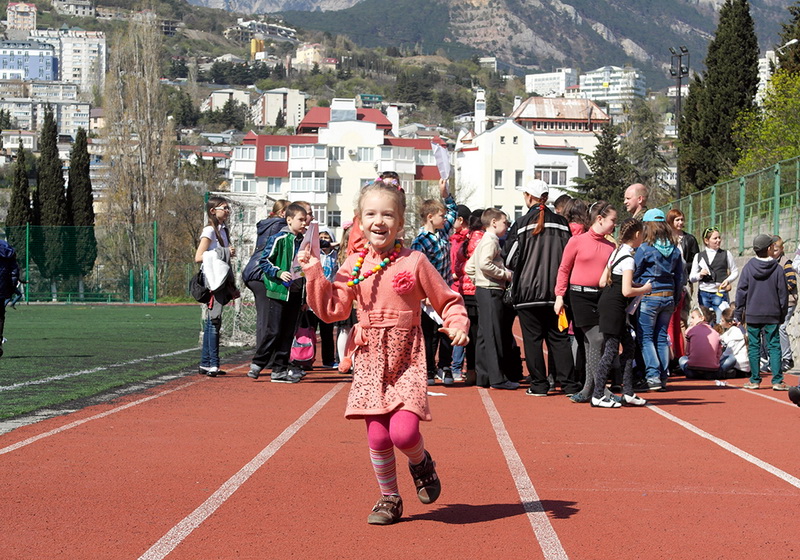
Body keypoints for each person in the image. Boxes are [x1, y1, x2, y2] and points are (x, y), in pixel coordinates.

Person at [297, 179, 469, 526]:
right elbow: (332, 310)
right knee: (377, 434)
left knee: (403, 433)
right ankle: (389, 498)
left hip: (406, 357)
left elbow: (447, 299)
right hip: (370, 358)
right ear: (360, 221)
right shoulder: (354, 265)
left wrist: (458, 323)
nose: (379, 221)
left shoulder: (415, 261)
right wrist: (314, 272)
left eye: (388, 214)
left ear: (400, 223)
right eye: (371, 214)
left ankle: (421, 462)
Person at [503, 178, 582, 397]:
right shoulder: (561, 223)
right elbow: (570, 256)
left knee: (533, 340)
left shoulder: (520, 224)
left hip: (527, 292)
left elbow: (509, 259)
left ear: (529, 196)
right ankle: (569, 385)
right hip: (557, 291)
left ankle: (539, 384)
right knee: (559, 339)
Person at [555, 200, 618, 404]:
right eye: (612, 220)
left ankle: (589, 389)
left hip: (602, 296)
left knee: (592, 342)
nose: (615, 224)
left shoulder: (611, 246)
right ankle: (600, 389)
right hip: (579, 296)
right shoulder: (577, 241)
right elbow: (564, 268)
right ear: (599, 219)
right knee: (596, 339)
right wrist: (559, 296)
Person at [592, 218, 651, 408]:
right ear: (636, 235)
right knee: (610, 351)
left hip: (609, 304)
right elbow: (626, 292)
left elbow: (603, 282)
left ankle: (628, 392)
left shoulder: (616, 253)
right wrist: (645, 288)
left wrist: (632, 284)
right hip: (614, 308)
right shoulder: (629, 259)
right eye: (642, 234)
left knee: (629, 346)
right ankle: (598, 394)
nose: (643, 237)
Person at [246, 203, 309, 383]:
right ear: (289, 220)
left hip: (296, 293)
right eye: (301, 219)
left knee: (288, 332)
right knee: (274, 330)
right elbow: (264, 261)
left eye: (306, 220)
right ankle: (258, 363)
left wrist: (305, 295)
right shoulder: (278, 239)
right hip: (279, 291)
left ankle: (279, 370)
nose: (304, 223)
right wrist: (279, 272)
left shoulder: (304, 243)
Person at [411, 178, 458, 386]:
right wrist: (423, 294)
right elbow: (417, 270)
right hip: (429, 296)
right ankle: (428, 369)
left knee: (448, 330)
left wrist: (445, 193)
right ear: (430, 217)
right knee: (429, 334)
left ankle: (445, 366)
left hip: (445, 292)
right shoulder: (420, 241)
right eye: (440, 215)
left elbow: (453, 212)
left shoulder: (442, 233)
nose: (444, 218)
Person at [465, 208, 517, 389]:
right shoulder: (491, 241)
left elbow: (470, 267)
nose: (507, 226)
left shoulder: (483, 240)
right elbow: (483, 264)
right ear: (494, 222)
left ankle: (484, 377)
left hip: (483, 289)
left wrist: (478, 280)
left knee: (483, 336)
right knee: (494, 334)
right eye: (505, 223)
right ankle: (497, 378)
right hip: (491, 290)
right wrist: (504, 275)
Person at [634, 209, 684, 391]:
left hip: (649, 296)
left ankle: (652, 376)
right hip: (668, 296)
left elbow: (636, 272)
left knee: (646, 337)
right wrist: (676, 298)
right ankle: (663, 376)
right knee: (662, 337)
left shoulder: (645, 249)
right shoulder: (675, 250)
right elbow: (680, 277)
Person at [735, 234, 789, 391]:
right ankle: (777, 381)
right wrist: (782, 314)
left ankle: (755, 380)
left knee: (753, 346)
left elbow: (741, 292)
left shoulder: (748, 267)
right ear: (770, 248)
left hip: (753, 314)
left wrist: (739, 313)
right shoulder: (778, 269)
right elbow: (783, 294)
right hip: (772, 314)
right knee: (774, 346)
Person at [194, 196, 237, 377]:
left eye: (228, 208)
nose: (227, 211)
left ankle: (206, 362)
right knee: (214, 320)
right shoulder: (209, 231)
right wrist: (224, 251)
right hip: (212, 280)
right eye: (223, 208)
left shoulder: (223, 230)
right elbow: (198, 256)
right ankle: (213, 364)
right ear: (213, 211)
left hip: (221, 278)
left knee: (214, 321)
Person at [242, 199, 290, 350]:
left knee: (264, 318)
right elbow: (299, 238)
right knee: (267, 319)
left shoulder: (267, 224)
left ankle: (264, 355)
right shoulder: (280, 225)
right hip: (261, 273)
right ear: (283, 213)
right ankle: (264, 357)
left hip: (253, 272)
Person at [454, 209, 484, 385]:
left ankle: (470, 370)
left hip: (465, 293)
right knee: (481, 334)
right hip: (478, 290)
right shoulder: (482, 239)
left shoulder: (465, 240)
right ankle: (481, 371)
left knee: (470, 334)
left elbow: (458, 267)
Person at [666, 209, 700, 363]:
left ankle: (683, 354)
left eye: (682, 219)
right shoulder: (665, 239)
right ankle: (673, 353)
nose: (680, 223)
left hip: (684, 283)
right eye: (676, 220)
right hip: (669, 284)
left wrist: (683, 266)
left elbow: (696, 260)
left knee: (682, 319)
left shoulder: (689, 239)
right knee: (670, 321)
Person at [689, 226, 738, 325]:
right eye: (715, 238)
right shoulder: (698, 256)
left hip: (719, 293)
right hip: (704, 293)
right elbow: (692, 277)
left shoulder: (726, 254)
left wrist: (728, 280)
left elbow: (735, 271)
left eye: (719, 238)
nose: (718, 240)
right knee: (705, 321)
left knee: (720, 321)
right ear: (706, 241)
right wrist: (700, 275)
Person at [449, 204, 472, 381]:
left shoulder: (467, 240)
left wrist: (457, 272)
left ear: (461, 220)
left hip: (461, 287)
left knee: (460, 327)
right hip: (452, 286)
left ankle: (457, 366)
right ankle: (450, 366)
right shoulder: (453, 239)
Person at [679, 307, 737, 379]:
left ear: (702, 318)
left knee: (682, 359)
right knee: (732, 358)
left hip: (692, 372)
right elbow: (718, 355)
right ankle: (722, 373)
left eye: (693, 318)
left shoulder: (690, 331)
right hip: (712, 372)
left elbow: (687, 352)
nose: (691, 321)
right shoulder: (716, 333)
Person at [768, 236, 796, 373]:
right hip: (777, 302)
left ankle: (787, 358)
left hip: (788, 301)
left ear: (782, 249)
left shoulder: (786, 263)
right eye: (771, 250)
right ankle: (774, 358)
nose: (774, 252)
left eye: (776, 250)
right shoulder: (770, 263)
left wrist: (780, 291)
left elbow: (792, 282)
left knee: (781, 328)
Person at [318, 228, 339, 367]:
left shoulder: (335, 255)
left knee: (327, 329)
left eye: (327, 238)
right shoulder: (315, 254)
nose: (324, 240)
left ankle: (328, 360)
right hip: (314, 295)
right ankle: (304, 359)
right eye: (321, 237)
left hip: (328, 296)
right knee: (308, 329)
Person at [0, 237, 20, 358]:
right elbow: (14, 271)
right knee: (0, 315)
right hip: (2, 287)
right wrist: (11, 286)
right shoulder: (6, 248)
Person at [719, 306, 749, 378]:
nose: (720, 323)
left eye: (722, 320)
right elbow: (721, 337)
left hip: (740, 367)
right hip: (737, 364)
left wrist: (717, 360)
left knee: (728, 360)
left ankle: (721, 372)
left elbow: (729, 352)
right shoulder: (732, 330)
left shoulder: (736, 332)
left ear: (729, 323)